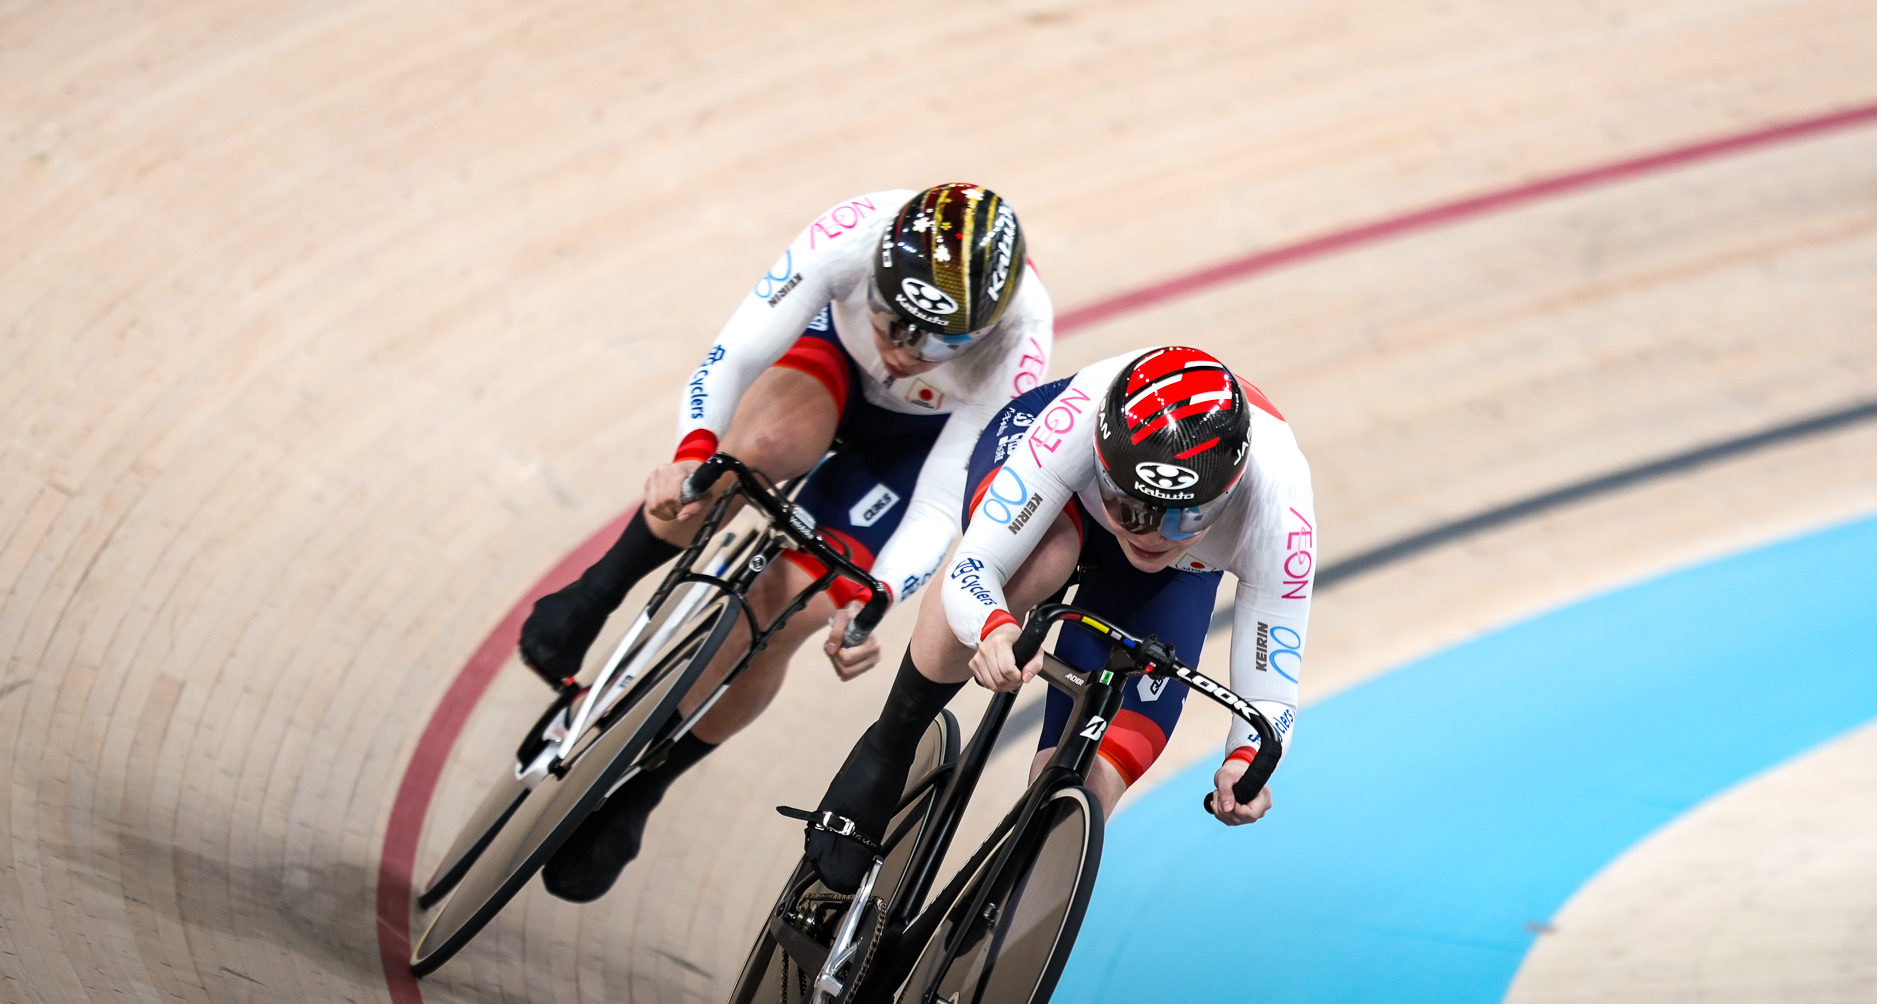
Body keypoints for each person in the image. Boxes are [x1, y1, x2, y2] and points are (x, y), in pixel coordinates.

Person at [525, 185, 1053, 901]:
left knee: (793, 607)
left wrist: (877, 599)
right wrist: (692, 450)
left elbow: (940, 501)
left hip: (913, 450)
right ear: (877, 276)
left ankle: (648, 786)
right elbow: (736, 352)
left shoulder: (1020, 337)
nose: (901, 351)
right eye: (892, 320)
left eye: (935, 343)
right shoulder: (853, 234)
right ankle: (597, 590)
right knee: (742, 456)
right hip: (827, 365)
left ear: (979, 330)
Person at [801, 345, 1314, 892]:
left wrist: (1245, 760)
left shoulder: (1279, 507)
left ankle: (998, 916)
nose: (1150, 536)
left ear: (1227, 497)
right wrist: (993, 626)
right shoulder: (1078, 419)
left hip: (1180, 571)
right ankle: (890, 746)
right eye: (1131, 509)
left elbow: (1270, 694)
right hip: (1056, 485)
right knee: (1038, 563)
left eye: (1187, 517)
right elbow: (977, 565)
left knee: (1084, 792)